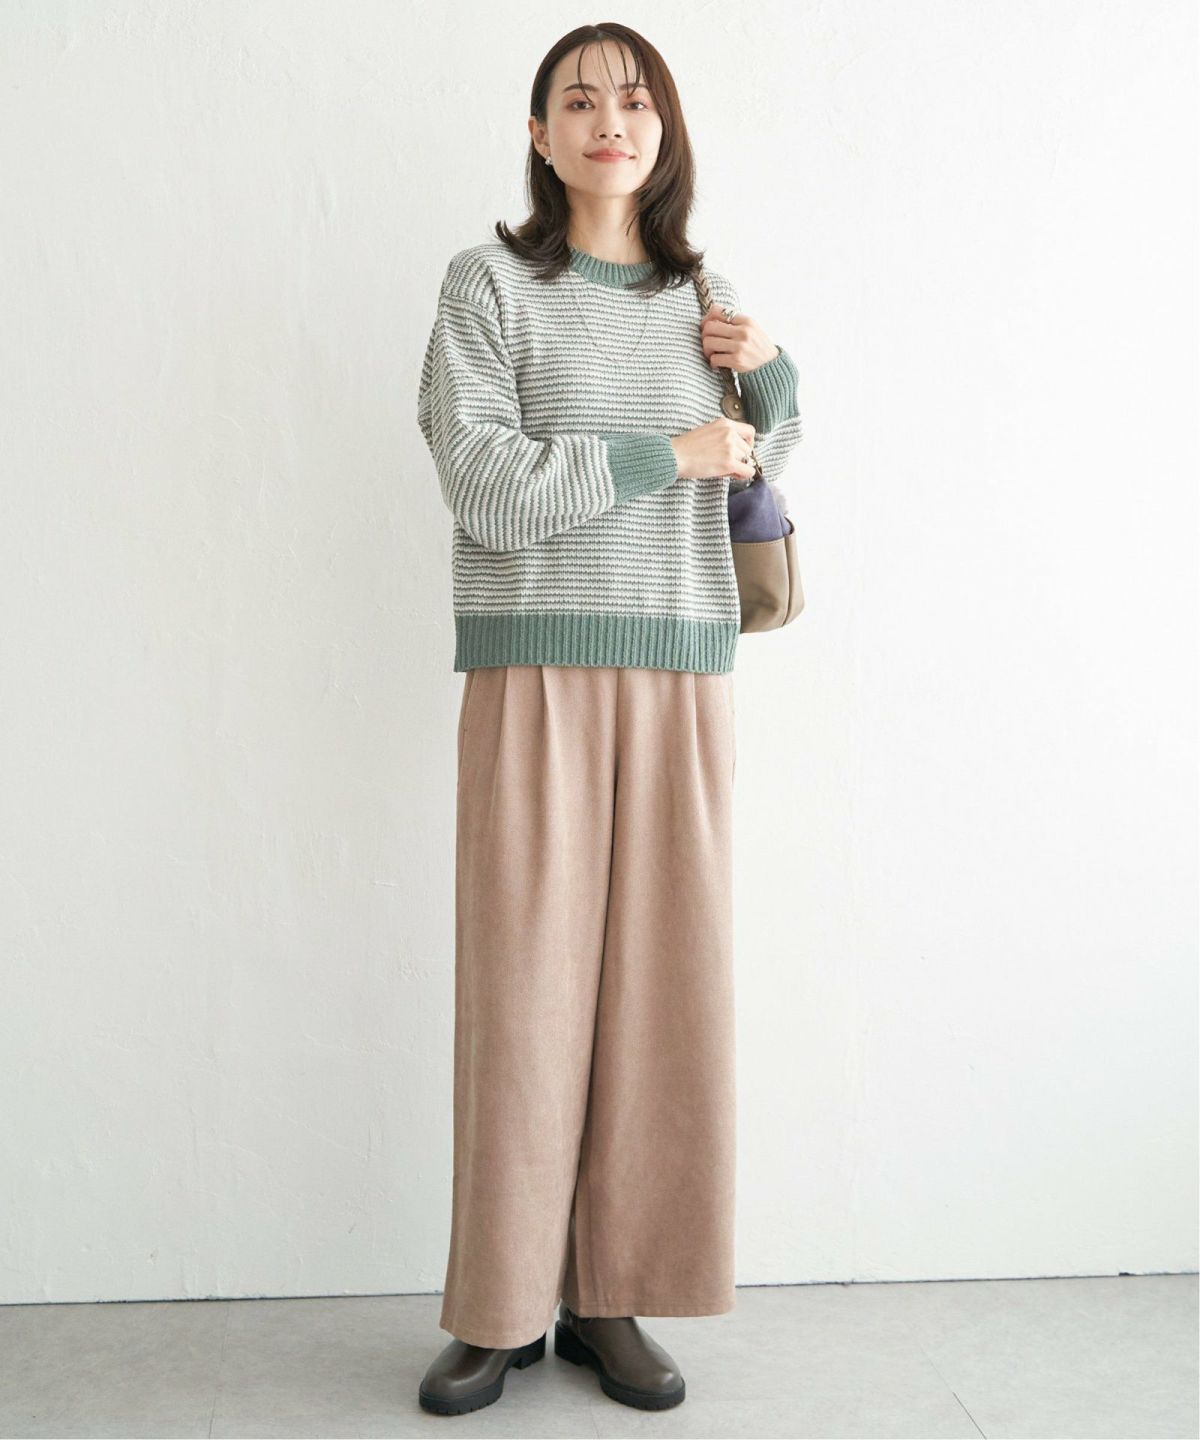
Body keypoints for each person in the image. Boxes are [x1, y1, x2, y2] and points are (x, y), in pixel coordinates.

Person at [414, 21, 803, 1418]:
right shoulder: (488, 287)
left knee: (663, 1002)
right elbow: (484, 482)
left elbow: (759, 457)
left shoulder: (706, 294)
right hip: (534, 667)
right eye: (577, 100)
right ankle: (497, 1308)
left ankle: (611, 1297)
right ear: (539, 134)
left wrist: (771, 378)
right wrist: (666, 452)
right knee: (523, 1001)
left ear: (664, 129)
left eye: (634, 100)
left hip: (685, 669)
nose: (608, 121)